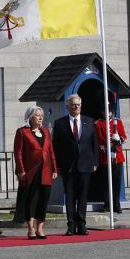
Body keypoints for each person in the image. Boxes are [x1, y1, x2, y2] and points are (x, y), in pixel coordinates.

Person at [53, 94, 98, 236]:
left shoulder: (89, 121)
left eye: (78, 104)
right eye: (73, 104)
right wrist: (57, 166)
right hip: (68, 166)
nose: (76, 107)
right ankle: (71, 225)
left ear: (81, 106)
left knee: (83, 196)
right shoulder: (60, 123)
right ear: (67, 106)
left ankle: (82, 224)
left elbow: (94, 144)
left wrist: (95, 162)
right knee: (71, 196)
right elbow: (56, 147)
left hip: (85, 164)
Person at [13, 106, 58, 239]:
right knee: (31, 200)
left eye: (42, 116)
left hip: (46, 170)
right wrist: (21, 170)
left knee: (43, 200)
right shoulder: (22, 132)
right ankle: (31, 229)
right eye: (37, 115)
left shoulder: (46, 131)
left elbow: (51, 151)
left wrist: (54, 169)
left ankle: (40, 228)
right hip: (30, 171)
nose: (40, 118)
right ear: (30, 117)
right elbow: (18, 153)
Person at [95, 108, 127, 213]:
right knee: (106, 182)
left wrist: (118, 139)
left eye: (109, 111)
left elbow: (124, 136)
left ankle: (116, 204)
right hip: (106, 157)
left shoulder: (118, 122)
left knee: (117, 182)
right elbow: (99, 139)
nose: (108, 113)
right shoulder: (98, 124)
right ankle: (107, 204)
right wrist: (110, 144)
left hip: (117, 157)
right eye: (105, 111)